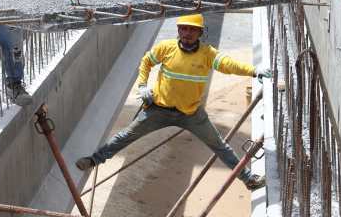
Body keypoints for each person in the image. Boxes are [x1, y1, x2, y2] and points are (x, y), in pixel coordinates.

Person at [76, 14, 269, 191]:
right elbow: (146, 61)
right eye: (183, 29)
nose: (187, 33)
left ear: (200, 32)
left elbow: (228, 65)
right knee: (126, 136)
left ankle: (248, 179)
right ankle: (94, 160)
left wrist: (254, 71)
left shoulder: (207, 54)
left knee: (220, 146)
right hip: (159, 110)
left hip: (191, 113)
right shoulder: (166, 48)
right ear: (178, 30)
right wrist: (142, 85)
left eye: (192, 30)